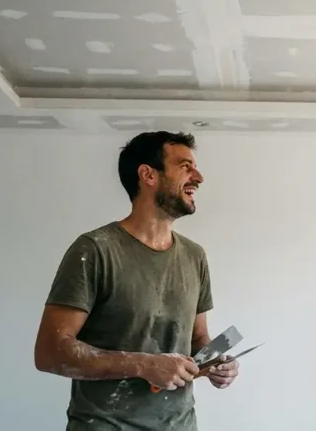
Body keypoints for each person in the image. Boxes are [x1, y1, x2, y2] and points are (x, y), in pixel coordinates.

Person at [33, 131, 240, 430]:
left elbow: (197, 339)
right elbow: (50, 352)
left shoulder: (195, 256)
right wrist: (144, 364)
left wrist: (215, 363)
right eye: (185, 166)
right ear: (148, 175)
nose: (199, 177)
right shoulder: (95, 249)